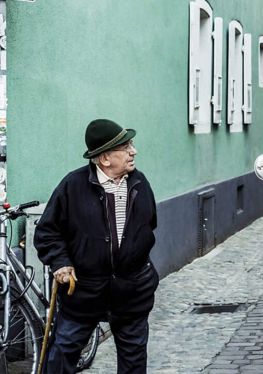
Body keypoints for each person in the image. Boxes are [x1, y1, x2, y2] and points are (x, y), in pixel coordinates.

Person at [34, 119, 159, 373]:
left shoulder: (140, 182)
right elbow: (48, 232)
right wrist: (60, 261)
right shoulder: (73, 186)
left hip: (131, 291)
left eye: (130, 145)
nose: (133, 151)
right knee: (62, 355)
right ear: (104, 158)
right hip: (84, 292)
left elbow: (150, 224)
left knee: (134, 360)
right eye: (126, 148)